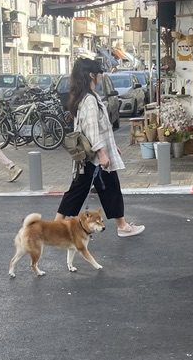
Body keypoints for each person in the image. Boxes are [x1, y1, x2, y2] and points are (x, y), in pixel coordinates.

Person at [54, 57, 144, 237]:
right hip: (95, 157)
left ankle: (55, 226)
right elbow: (92, 129)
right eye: (99, 72)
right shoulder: (89, 99)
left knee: (79, 191)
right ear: (91, 75)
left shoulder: (85, 96)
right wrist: (102, 153)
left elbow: (99, 129)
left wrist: (112, 147)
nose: (102, 75)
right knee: (110, 189)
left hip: (89, 156)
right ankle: (122, 227)